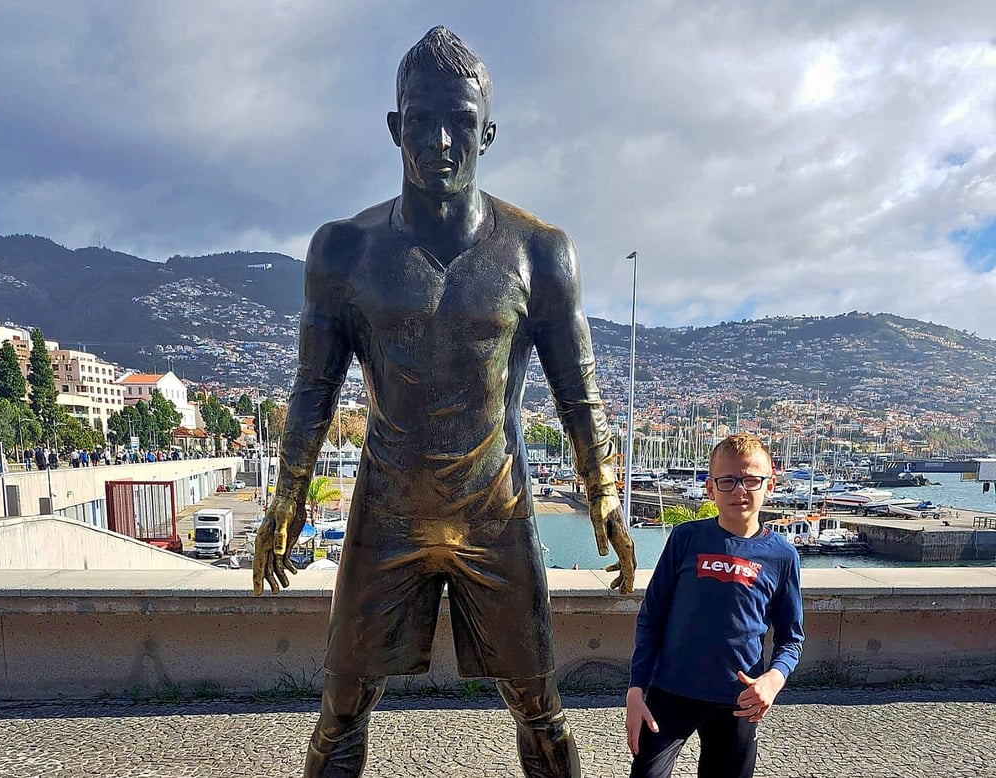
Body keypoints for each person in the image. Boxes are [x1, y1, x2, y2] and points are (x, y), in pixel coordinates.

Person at [252, 26, 635, 778]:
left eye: (460, 122)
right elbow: (313, 390)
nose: (440, 142)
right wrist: (287, 499)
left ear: (487, 132)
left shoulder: (540, 251)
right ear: (395, 127)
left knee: (539, 707)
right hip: (387, 509)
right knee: (341, 707)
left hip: (496, 509)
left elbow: (579, 393)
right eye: (422, 121)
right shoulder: (344, 250)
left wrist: (604, 493)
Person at [625, 433, 804, 778]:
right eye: (727, 481)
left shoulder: (782, 555)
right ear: (710, 488)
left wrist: (773, 679)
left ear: (770, 485)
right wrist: (636, 690)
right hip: (669, 692)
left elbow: (791, 637)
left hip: (738, 700)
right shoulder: (686, 538)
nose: (739, 490)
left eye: (751, 480)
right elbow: (651, 617)